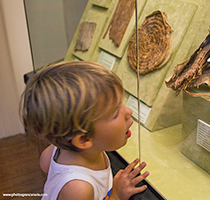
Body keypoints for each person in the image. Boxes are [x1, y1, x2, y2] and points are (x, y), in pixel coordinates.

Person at [21, 61, 149, 200]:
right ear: (83, 139)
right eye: (115, 112)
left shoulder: (57, 150)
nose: (128, 111)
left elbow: (45, 164)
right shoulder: (78, 189)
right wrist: (117, 194)